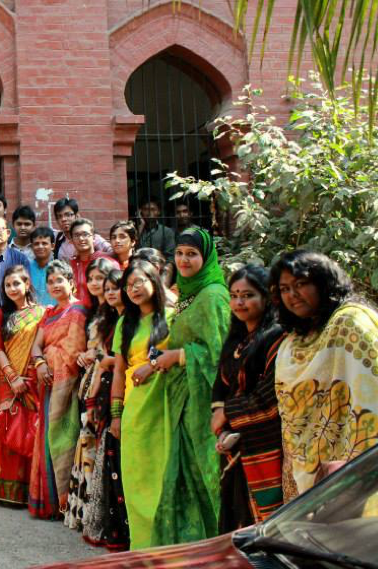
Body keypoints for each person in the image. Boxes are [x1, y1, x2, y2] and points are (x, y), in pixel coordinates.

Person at [271, 250, 378, 496]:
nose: (292, 295)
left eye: (300, 284)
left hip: (355, 464)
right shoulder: (295, 339)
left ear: (323, 282)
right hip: (306, 473)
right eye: (284, 289)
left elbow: (372, 402)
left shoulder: (350, 324)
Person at [144, 226, 229, 547]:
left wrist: (178, 356)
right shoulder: (189, 294)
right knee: (182, 476)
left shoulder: (213, 296)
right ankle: (188, 548)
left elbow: (220, 354)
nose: (183, 260)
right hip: (183, 400)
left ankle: (216, 546)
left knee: (205, 476)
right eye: (179, 253)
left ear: (206, 258)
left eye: (192, 254)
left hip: (204, 405)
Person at [210, 265, 285, 532]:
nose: (239, 303)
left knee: (262, 523)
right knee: (234, 514)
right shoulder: (236, 340)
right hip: (232, 443)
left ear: (267, 297)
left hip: (263, 444)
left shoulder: (276, 338)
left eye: (248, 295)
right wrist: (220, 426)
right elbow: (221, 386)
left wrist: (228, 413)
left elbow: (270, 396)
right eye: (234, 296)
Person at [110, 259, 170, 550]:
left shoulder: (173, 315)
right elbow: (118, 371)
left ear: (154, 281)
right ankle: (143, 547)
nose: (133, 289)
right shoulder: (125, 322)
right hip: (135, 406)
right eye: (128, 285)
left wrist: (154, 364)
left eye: (139, 282)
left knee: (164, 474)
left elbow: (186, 353)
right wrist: (116, 414)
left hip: (167, 404)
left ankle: (168, 543)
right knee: (138, 478)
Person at [29, 260, 87, 519]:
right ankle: (50, 503)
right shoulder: (49, 313)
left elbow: (73, 351)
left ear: (71, 282)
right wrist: (40, 363)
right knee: (46, 437)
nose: (54, 285)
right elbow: (36, 346)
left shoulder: (78, 310)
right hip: (48, 382)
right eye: (50, 281)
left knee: (66, 437)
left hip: (68, 385)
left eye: (59, 280)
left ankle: (65, 505)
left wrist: (48, 355)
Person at [65, 258, 120, 530]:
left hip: (107, 380)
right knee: (87, 441)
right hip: (89, 379)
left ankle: (97, 513)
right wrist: (84, 355)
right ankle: (85, 511)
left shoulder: (115, 313)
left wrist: (95, 355)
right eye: (93, 279)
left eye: (103, 279)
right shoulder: (93, 311)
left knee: (97, 442)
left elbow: (112, 351)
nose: (97, 284)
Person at [80, 269, 130, 551]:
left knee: (117, 456)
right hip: (107, 392)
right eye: (107, 288)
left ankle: (126, 529)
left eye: (116, 288)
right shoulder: (110, 319)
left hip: (124, 391)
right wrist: (93, 396)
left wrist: (107, 361)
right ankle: (115, 528)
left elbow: (118, 360)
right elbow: (103, 363)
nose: (110, 292)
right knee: (108, 456)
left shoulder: (132, 319)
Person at [0, 265, 46, 506]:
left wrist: (28, 376)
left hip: (32, 379)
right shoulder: (0, 314)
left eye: (16, 283)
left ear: (27, 284)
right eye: (7, 285)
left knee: (31, 430)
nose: (12, 288)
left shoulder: (42, 313)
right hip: (7, 379)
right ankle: (6, 493)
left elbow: (42, 346)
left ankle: (30, 492)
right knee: (8, 427)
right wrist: (13, 377)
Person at [68, 219, 115, 309]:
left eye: (85, 234)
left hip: (103, 312)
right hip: (76, 313)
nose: (81, 238)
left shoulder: (106, 262)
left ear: (93, 238)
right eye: (76, 235)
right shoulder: (70, 265)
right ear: (71, 240)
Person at [27, 226, 57, 307]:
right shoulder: (26, 269)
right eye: (36, 244)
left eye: (44, 243)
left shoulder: (59, 269)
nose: (40, 246)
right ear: (31, 247)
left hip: (56, 313)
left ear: (52, 246)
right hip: (32, 312)